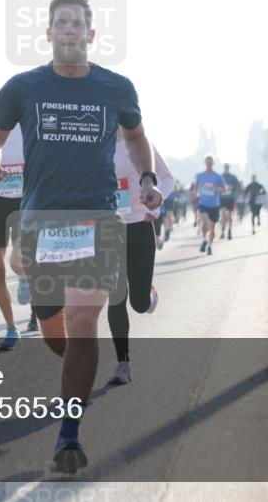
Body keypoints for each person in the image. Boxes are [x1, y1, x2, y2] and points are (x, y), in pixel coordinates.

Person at [0, 0, 163, 474]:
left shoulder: (116, 88)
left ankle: (68, 432)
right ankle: (35, 290)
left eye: (78, 23)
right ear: (50, 33)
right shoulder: (23, 87)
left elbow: (137, 137)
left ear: (91, 35)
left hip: (98, 218)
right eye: (62, 23)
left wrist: (146, 178)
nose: (70, 30)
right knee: (57, 335)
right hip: (40, 220)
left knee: (83, 323)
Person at [107, 130, 173, 384]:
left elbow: (167, 179)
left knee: (138, 303)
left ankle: (148, 295)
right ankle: (122, 363)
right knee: (115, 295)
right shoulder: (96, 144)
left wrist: (155, 207)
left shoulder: (140, 144)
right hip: (109, 228)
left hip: (139, 225)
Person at [0, 123, 38, 348]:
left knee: (19, 260)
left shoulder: (31, 127)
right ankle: (11, 328)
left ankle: (24, 279)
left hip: (24, 202)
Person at [196, 156, 226, 256]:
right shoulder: (200, 175)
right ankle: (204, 239)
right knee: (204, 222)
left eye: (211, 162)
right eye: (207, 162)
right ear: (205, 163)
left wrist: (215, 187)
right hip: (203, 203)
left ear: (213, 163)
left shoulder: (218, 176)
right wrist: (197, 191)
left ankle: (209, 245)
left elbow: (224, 189)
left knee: (212, 228)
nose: (209, 164)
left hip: (214, 204)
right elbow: (195, 187)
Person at [219, 163, 241, 240]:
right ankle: (222, 232)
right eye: (225, 167)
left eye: (227, 168)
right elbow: (216, 186)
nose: (226, 169)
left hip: (230, 198)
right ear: (224, 168)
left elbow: (238, 187)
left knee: (229, 215)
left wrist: (232, 189)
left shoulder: (233, 177)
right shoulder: (220, 177)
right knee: (223, 215)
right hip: (222, 198)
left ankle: (229, 231)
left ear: (229, 168)